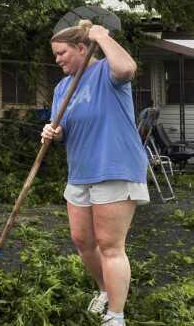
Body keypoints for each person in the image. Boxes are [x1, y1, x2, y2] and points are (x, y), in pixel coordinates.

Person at [41, 20, 149, 326]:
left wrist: (100, 35)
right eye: (55, 55)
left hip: (114, 165)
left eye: (61, 53)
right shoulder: (63, 87)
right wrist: (53, 132)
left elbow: (127, 68)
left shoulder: (106, 73)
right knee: (83, 241)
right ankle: (104, 291)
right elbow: (62, 128)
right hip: (81, 171)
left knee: (109, 245)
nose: (57, 59)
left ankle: (116, 315)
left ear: (81, 49)